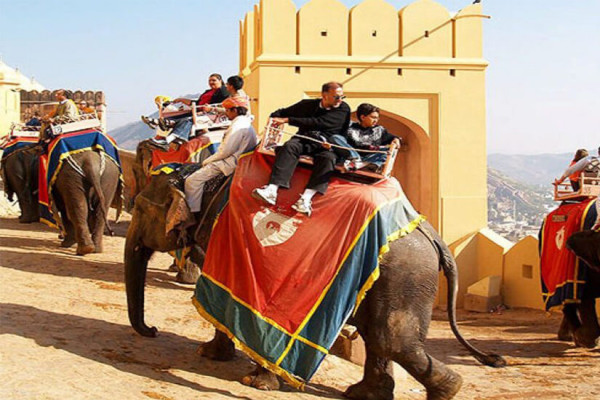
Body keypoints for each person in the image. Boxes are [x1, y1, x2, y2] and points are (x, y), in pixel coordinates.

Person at [252, 81, 351, 217]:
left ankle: (306, 198)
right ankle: (272, 189)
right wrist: (274, 119)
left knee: (328, 159)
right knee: (289, 147)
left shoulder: (343, 109)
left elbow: (320, 122)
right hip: (304, 140)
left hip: (326, 145)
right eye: (336, 97)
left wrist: (288, 120)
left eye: (341, 97)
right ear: (324, 95)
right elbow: (281, 113)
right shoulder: (307, 105)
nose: (340, 100)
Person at [184, 96, 257, 213]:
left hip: (231, 162)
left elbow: (225, 152)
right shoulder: (245, 122)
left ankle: (192, 213)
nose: (226, 113)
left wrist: (206, 161)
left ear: (235, 111)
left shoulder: (237, 126)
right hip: (239, 160)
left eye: (228, 111)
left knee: (192, 181)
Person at [141, 73, 229, 141]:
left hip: (208, 111)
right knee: (177, 112)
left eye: (214, 80)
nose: (211, 82)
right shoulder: (208, 91)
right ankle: (158, 121)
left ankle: (175, 135)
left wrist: (207, 109)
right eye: (209, 80)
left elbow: (221, 103)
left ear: (220, 81)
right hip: (197, 108)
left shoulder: (222, 91)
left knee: (187, 118)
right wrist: (181, 100)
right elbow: (196, 102)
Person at [329, 103, 400, 172]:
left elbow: (393, 138)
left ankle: (360, 164)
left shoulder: (379, 130)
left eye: (377, 118)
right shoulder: (350, 127)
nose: (376, 120)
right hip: (351, 158)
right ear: (362, 117)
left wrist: (396, 139)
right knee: (335, 138)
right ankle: (356, 159)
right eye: (373, 117)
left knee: (389, 151)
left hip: (370, 158)